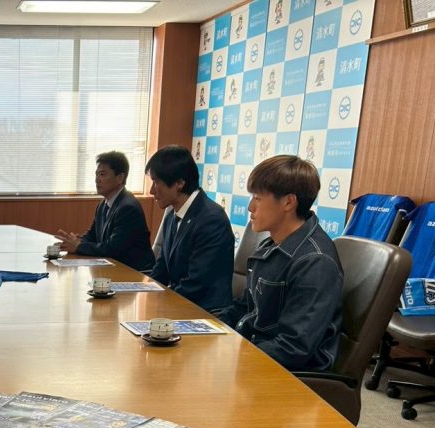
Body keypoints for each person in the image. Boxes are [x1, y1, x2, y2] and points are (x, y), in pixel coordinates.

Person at [216, 155, 343, 372]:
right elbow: (245, 307)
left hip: (288, 375)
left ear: (288, 202)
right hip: (256, 354)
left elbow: (293, 348)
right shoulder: (272, 244)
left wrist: (233, 357)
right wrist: (205, 327)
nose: (250, 207)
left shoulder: (315, 262)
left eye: (257, 198)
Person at [146, 146, 234, 312]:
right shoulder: (171, 215)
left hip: (206, 313)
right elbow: (162, 268)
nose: (151, 190)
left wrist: (159, 302)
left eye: (156, 182)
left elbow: (196, 284)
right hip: (180, 303)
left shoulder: (211, 219)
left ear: (179, 183)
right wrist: (143, 293)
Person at [56, 151, 154, 272]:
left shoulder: (128, 208)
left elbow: (112, 248)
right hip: (113, 269)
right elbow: (92, 235)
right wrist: (74, 242)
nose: (97, 180)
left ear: (120, 178)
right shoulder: (103, 205)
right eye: (96, 175)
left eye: (102, 174)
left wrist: (79, 246)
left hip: (135, 273)